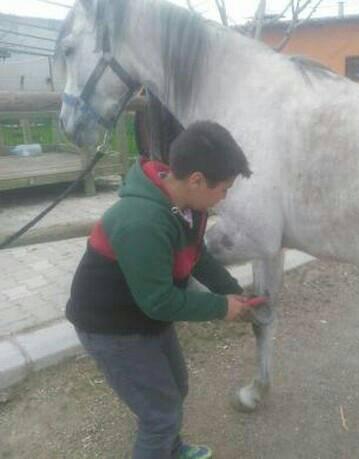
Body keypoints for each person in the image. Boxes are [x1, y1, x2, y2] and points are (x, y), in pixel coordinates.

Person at [66, 120, 253, 459]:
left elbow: (196, 255)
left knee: (175, 389)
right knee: (159, 415)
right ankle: (164, 443)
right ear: (196, 180)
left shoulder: (188, 206)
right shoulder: (142, 221)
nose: (225, 197)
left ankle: (171, 449)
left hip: (144, 315)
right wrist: (220, 307)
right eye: (223, 189)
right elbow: (159, 301)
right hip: (111, 327)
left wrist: (232, 290)